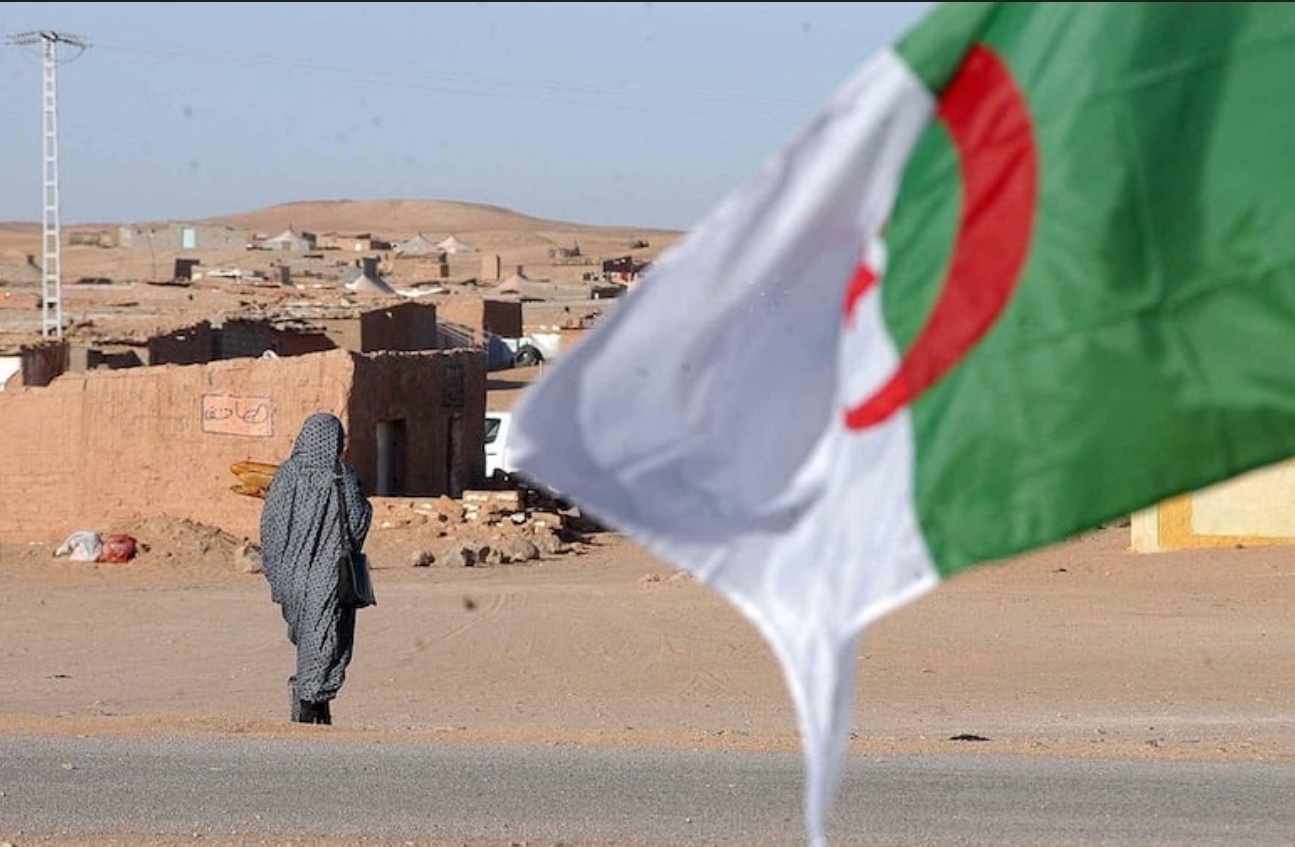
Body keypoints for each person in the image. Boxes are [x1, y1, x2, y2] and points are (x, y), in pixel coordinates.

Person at [258, 411, 373, 725]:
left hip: (290, 575)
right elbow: (358, 524)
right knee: (326, 638)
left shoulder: (286, 475)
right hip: (328, 576)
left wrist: (277, 570)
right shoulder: (343, 476)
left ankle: (314, 704)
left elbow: (270, 528)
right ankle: (310, 702)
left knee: (311, 637)